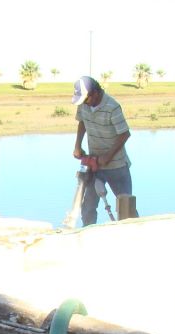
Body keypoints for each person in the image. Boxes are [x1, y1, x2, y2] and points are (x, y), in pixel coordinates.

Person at [71, 76, 133, 226]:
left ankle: (132, 236)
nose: (84, 103)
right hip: (94, 164)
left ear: (96, 93)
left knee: (126, 208)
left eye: (86, 99)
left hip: (116, 166)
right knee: (88, 207)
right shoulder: (84, 104)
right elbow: (82, 122)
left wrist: (108, 156)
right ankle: (88, 235)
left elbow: (125, 134)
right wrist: (77, 146)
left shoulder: (112, 107)